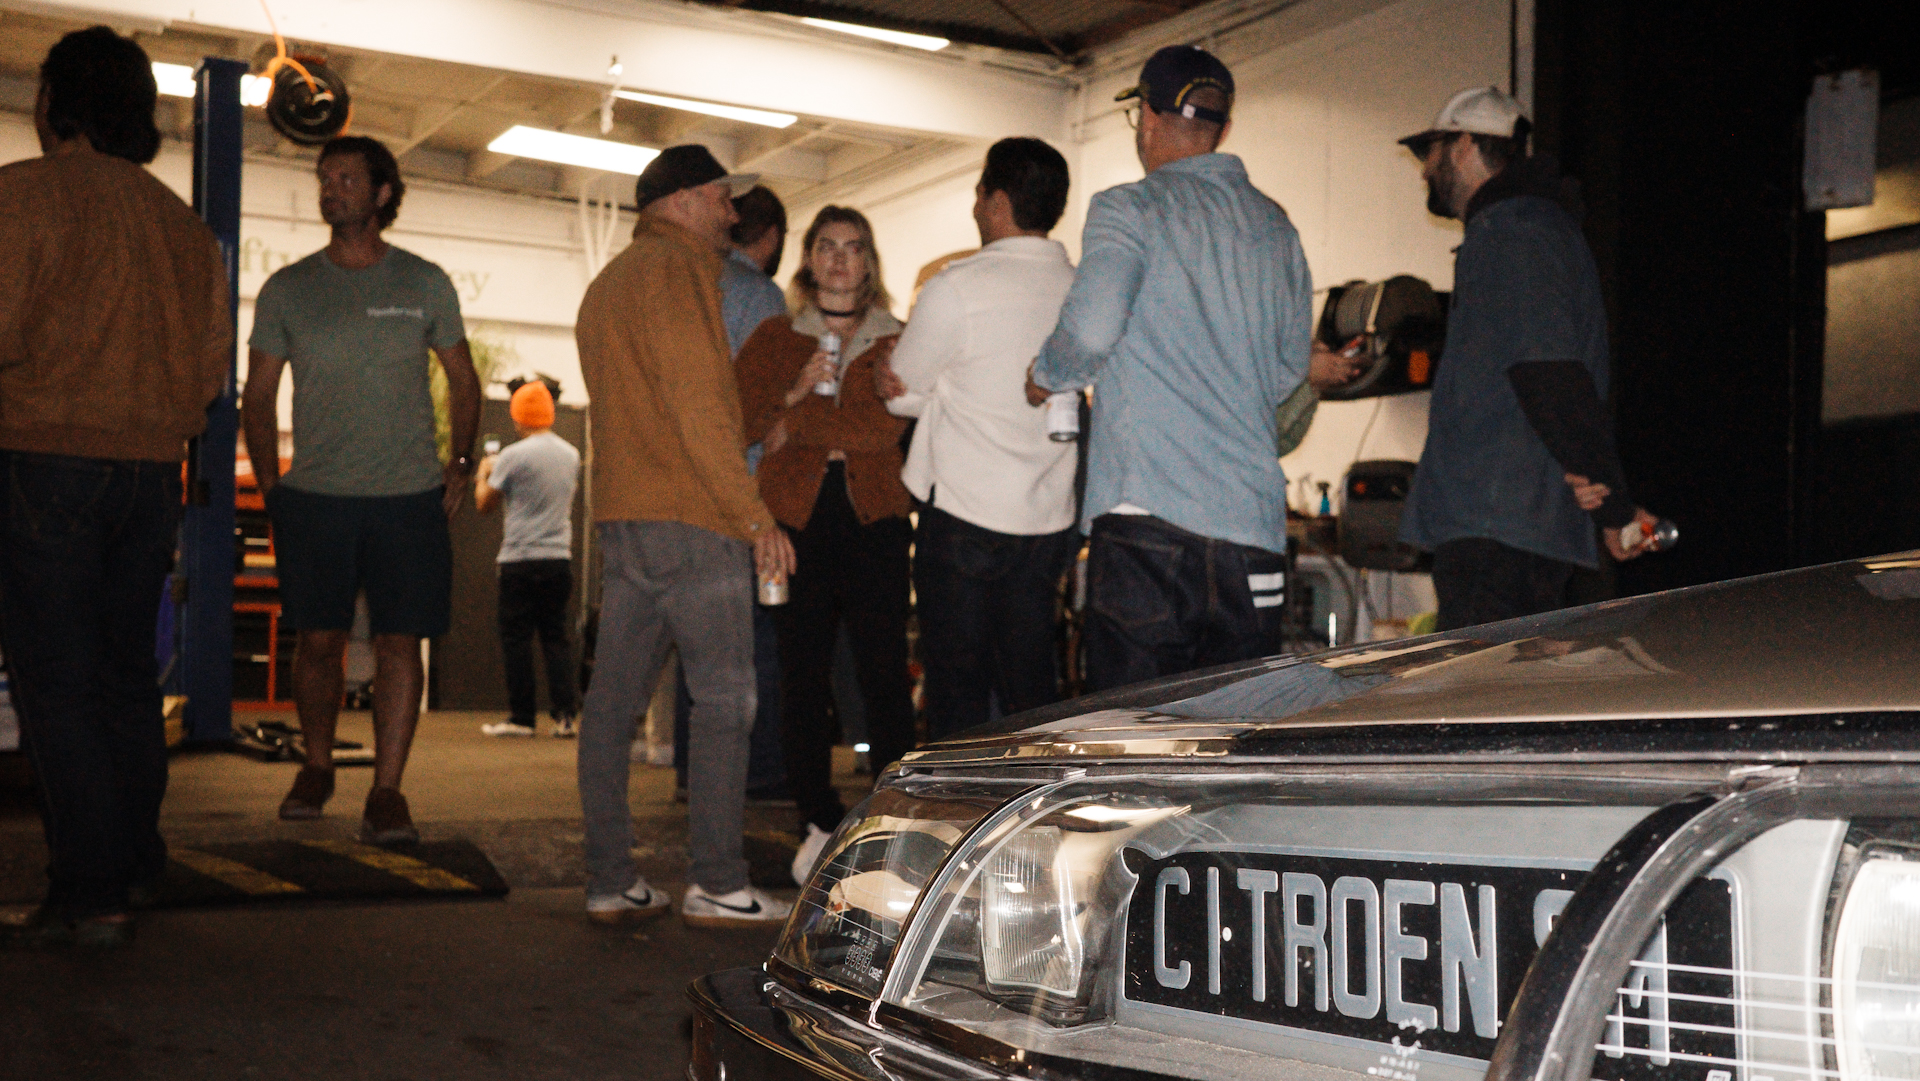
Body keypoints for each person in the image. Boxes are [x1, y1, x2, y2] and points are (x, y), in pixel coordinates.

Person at [0, 27, 230, 949]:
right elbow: (210, 369)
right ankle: (135, 863)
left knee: (55, 687)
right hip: (149, 475)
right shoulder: (181, 224)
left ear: (55, 100)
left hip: (44, 462)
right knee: (126, 679)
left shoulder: (23, 197)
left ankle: (89, 890)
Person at [1028, 45, 1312, 692]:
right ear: (1224, 130)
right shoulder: (1277, 229)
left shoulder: (1130, 208)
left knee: (1136, 745)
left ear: (1147, 121)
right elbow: (1290, 369)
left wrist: (1049, 373)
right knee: (1232, 742)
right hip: (1252, 536)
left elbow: (1093, 328)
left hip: (1146, 527)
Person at [574, 144, 796, 927]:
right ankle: (718, 880)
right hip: (694, 518)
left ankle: (609, 877)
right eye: (721, 198)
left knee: (611, 706)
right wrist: (754, 517)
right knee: (727, 698)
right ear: (683, 199)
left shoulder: (607, 285)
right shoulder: (679, 276)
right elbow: (703, 409)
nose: (732, 215)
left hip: (625, 519)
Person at [242, 135, 482, 846]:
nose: (331, 187)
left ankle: (387, 789)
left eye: (346, 177)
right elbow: (258, 395)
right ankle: (316, 767)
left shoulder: (424, 282)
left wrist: (460, 463)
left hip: (408, 497)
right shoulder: (290, 288)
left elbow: (463, 381)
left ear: (381, 194)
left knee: (400, 641)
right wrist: (273, 483)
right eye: (324, 176)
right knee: (318, 640)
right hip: (314, 496)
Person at [1393, 87, 1654, 630]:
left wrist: (1613, 503)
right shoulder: (1526, 229)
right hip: (1514, 523)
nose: (1424, 172)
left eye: (1431, 154)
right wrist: (1609, 503)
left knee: (1478, 705)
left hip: (1497, 528)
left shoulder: (1514, 230)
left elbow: (1549, 373)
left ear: (1463, 146)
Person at [875, 138, 1079, 740]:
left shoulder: (955, 285)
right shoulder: (1081, 288)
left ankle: (960, 823)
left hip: (962, 514)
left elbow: (903, 392)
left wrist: (930, 386)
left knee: (957, 686)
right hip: (1047, 517)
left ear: (994, 201)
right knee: (1030, 685)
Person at [734, 206, 913, 883]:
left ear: (870, 262)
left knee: (883, 670)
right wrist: (794, 392)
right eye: (827, 246)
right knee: (801, 673)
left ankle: (898, 813)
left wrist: (795, 420)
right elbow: (745, 424)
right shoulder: (774, 337)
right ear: (808, 258)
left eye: (854, 247)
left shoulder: (899, 340)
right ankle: (814, 814)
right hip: (798, 519)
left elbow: (882, 432)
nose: (840, 259)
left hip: (875, 515)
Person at [672, 184, 793, 803]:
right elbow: (766, 399)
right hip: (744, 488)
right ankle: (762, 772)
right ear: (771, 239)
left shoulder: (695, 284)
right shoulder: (765, 296)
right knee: (755, 641)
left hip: (686, 486)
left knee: (695, 641)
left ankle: (691, 774)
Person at [474, 381, 581, 738]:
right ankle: (566, 717)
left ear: (519, 417)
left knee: (517, 639)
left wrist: (483, 473)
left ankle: (522, 718)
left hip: (519, 559)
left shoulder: (513, 456)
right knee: (556, 638)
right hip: (558, 559)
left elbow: (484, 504)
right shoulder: (571, 454)